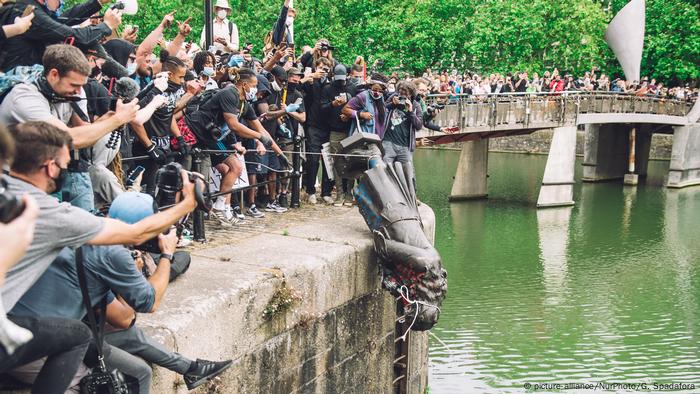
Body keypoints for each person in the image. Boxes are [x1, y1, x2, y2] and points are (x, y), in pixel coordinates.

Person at [10, 192, 232, 392]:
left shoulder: (83, 235)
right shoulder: (111, 255)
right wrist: (166, 254)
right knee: (122, 375)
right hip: (38, 345)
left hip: (37, 328)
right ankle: (190, 368)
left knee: (133, 342)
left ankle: (190, 368)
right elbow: (129, 316)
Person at [0, 44, 140, 211]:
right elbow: (70, 138)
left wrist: (109, 117)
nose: (79, 92)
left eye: (82, 85)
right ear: (54, 74)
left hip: (50, 173)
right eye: (74, 85)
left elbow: (86, 131)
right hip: (14, 180)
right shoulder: (24, 97)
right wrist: (117, 120)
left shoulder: (68, 90)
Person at [184, 68, 285, 225]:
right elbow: (234, 125)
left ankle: (221, 206)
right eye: (254, 85)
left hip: (212, 138)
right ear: (244, 84)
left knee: (233, 168)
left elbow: (262, 129)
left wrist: (280, 155)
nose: (256, 89)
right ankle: (193, 219)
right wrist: (258, 137)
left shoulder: (244, 104)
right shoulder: (229, 94)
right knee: (196, 176)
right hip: (195, 133)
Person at [0, 0, 121, 71]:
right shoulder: (30, 12)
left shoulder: (32, 8)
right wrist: (107, 25)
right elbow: (75, 36)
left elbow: (60, 22)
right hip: (13, 83)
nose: (60, 3)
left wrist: (97, 2)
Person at [320, 64, 352, 206]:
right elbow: (322, 108)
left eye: (343, 79)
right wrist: (333, 103)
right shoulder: (327, 88)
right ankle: (339, 193)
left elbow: (359, 106)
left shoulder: (352, 87)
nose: (341, 82)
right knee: (337, 163)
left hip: (351, 130)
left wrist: (348, 115)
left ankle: (349, 193)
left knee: (351, 162)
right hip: (335, 131)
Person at [382, 80, 423, 179]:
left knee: (409, 174)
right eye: (401, 93)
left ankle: (411, 193)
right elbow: (381, 110)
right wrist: (392, 104)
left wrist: (410, 111)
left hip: (405, 146)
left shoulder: (416, 105)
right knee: (385, 170)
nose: (403, 97)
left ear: (411, 94)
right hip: (388, 142)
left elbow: (419, 126)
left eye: (406, 95)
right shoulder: (393, 98)